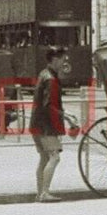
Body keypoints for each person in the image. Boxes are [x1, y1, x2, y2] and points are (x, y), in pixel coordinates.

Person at [30, 45, 72, 203]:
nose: (64, 62)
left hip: (37, 123)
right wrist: (66, 117)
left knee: (44, 158)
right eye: (62, 59)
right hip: (46, 126)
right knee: (54, 157)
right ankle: (45, 193)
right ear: (55, 59)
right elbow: (50, 106)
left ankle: (40, 192)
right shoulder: (51, 79)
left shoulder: (44, 74)